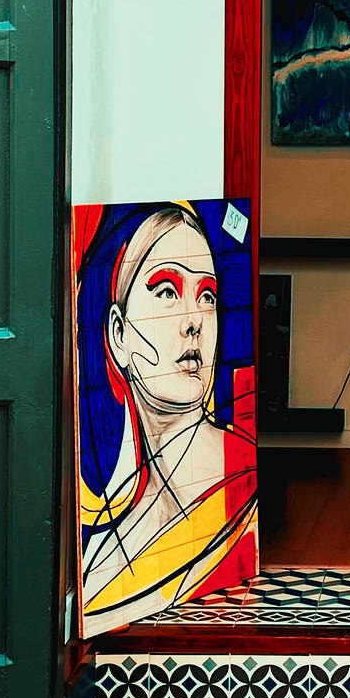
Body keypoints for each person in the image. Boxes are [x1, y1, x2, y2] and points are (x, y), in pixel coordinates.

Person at [79, 205, 257, 633]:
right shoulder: (109, 527)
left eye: (207, 296)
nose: (194, 321)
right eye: (167, 291)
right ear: (118, 335)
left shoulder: (241, 477)